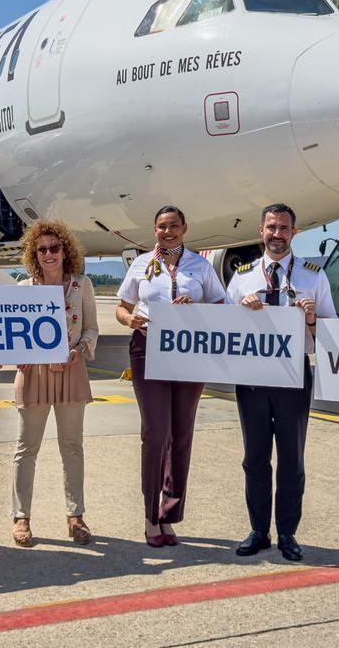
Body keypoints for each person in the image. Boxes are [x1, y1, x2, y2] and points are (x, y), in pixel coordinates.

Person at [226, 203, 335, 562]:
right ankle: (259, 529)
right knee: (255, 457)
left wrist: (311, 319)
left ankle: (288, 532)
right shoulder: (242, 276)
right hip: (253, 377)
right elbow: (222, 328)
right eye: (271, 227)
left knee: (291, 458)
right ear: (261, 231)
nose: (277, 234)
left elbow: (332, 334)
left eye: (284, 228)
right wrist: (240, 309)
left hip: (293, 376)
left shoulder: (313, 276)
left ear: (294, 232)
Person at [116, 206, 227, 547]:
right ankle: (151, 515)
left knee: (181, 434)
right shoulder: (141, 264)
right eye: (162, 226)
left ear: (185, 228)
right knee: (156, 432)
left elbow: (222, 306)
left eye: (174, 226)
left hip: (189, 351)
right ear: (155, 231)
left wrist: (196, 310)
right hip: (148, 350)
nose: (168, 231)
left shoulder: (200, 266)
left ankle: (170, 514)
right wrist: (129, 320)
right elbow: (122, 307)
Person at [10, 219, 99, 547]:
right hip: (34, 373)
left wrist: (78, 351)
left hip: (71, 371)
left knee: (72, 447)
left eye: (54, 248)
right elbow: (15, 335)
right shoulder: (24, 290)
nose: (49, 254)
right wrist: (18, 353)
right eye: (42, 249)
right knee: (26, 448)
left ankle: (75, 516)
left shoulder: (82, 285)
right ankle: (21, 518)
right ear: (35, 254)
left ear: (66, 251)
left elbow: (91, 328)